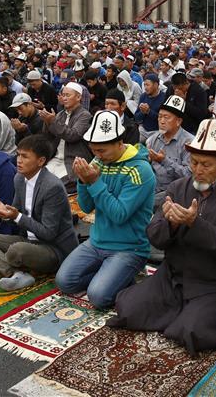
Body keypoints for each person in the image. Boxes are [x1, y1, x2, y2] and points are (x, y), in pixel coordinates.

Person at [109, 119, 216, 355]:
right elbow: (154, 236)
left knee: (191, 333)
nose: (198, 169)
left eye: (206, 164)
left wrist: (194, 224)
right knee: (128, 309)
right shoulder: (178, 187)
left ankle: (189, 313)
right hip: (175, 275)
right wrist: (172, 224)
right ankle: (181, 309)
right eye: (194, 162)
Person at [55, 110, 156, 308]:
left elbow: (119, 215)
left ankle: (127, 272)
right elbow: (86, 206)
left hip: (128, 247)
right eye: (94, 151)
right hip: (97, 241)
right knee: (65, 281)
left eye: (102, 151)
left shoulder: (140, 170)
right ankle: (112, 274)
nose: (97, 156)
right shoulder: (99, 161)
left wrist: (93, 181)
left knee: (99, 297)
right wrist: (83, 182)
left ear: (119, 143)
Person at [0, 134, 78, 290]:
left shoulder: (52, 186)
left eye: (25, 156)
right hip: (28, 239)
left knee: (16, 251)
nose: (19, 160)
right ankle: (14, 273)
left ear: (41, 161)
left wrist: (16, 216)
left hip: (54, 248)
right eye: (18, 155)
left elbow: (48, 233)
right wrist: (4, 213)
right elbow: (15, 212)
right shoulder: (19, 178)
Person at [40, 82, 92, 181]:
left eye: (68, 95)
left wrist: (53, 121)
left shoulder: (85, 115)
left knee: (59, 183)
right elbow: (47, 137)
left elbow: (73, 135)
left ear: (78, 97)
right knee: (38, 178)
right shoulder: (60, 114)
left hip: (73, 159)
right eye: (63, 95)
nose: (64, 98)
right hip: (55, 158)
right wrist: (47, 122)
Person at [146, 95, 193, 198]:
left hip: (175, 192)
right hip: (153, 187)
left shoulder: (189, 143)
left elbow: (189, 176)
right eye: (159, 116)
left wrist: (164, 161)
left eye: (166, 117)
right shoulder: (154, 139)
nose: (161, 121)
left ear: (178, 121)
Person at [134, 74, 166, 139]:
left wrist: (149, 111)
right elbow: (136, 117)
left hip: (157, 131)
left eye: (148, 85)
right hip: (143, 129)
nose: (145, 88)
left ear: (156, 85)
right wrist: (143, 112)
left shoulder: (164, 97)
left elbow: (164, 120)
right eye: (144, 85)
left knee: (150, 145)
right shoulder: (143, 96)